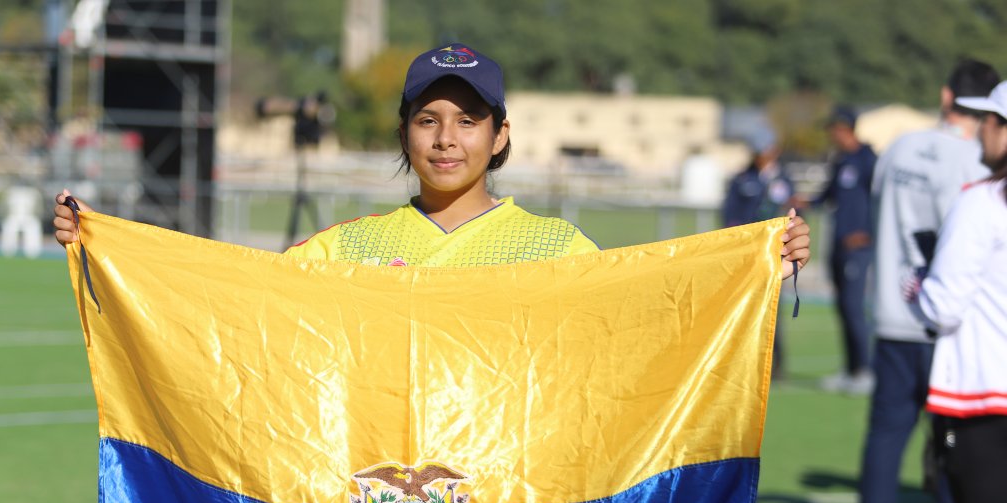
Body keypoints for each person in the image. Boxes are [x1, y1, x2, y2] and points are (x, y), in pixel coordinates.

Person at [54, 44, 811, 289]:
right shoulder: (346, 247)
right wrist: (108, 245)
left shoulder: (556, 249)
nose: (447, 140)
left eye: (468, 121)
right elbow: (239, 295)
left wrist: (754, 266)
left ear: (501, 135)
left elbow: (648, 308)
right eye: (427, 120)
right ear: (405, 134)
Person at [852, 59, 1000, 503]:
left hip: (891, 312)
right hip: (944, 322)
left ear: (945, 95)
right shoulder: (975, 160)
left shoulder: (898, 147)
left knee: (886, 435)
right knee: (953, 440)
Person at [912, 79, 1007, 503]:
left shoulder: (982, 202)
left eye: (992, 120)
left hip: (983, 399)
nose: (981, 129)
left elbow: (943, 306)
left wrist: (916, 287)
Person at [806, 106, 877, 395]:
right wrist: (805, 202)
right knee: (842, 308)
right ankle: (850, 369)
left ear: (845, 127)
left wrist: (867, 233)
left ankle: (865, 370)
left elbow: (881, 200)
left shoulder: (868, 160)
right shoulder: (841, 161)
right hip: (837, 244)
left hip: (858, 248)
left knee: (854, 306)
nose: (831, 134)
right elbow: (828, 196)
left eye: (834, 128)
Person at [722, 126, 797, 379]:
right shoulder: (742, 179)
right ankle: (743, 361)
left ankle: (775, 364)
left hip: (774, 254)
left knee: (773, 309)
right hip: (746, 253)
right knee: (743, 307)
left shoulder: (783, 181)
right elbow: (729, 216)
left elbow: (794, 215)